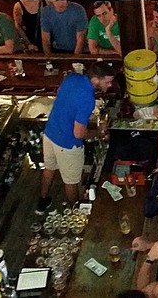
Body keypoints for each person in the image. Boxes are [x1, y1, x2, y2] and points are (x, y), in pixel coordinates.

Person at [37, 61, 116, 211]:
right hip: (67, 144)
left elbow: (61, 93)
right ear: (95, 80)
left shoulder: (72, 78)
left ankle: (42, 201)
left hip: (50, 133)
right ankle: (76, 212)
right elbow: (79, 134)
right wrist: (98, 132)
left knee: (49, 168)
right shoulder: (88, 99)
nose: (110, 85)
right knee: (71, 181)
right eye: (108, 81)